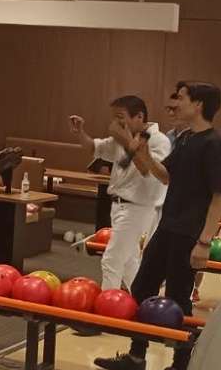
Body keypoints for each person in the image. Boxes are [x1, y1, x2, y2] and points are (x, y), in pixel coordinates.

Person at [96, 81, 221, 370]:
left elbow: (220, 195)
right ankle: (136, 357)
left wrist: (204, 241)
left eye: (181, 98)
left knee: (179, 298)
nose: (175, 104)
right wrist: (139, 151)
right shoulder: (184, 139)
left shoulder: (214, 144)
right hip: (168, 226)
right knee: (142, 287)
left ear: (198, 105)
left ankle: (181, 367)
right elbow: (163, 175)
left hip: (189, 233)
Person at [66, 95, 169, 290]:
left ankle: (108, 306)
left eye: (120, 117)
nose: (116, 123)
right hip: (118, 205)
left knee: (111, 260)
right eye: (114, 117)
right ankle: (140, 299)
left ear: (139, 117)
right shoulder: (123, 138)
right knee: (129, 262)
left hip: (138, 208)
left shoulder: (158, 140)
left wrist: (125, 140)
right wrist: (80, 133)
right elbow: (95, 148)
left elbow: (148, 171)